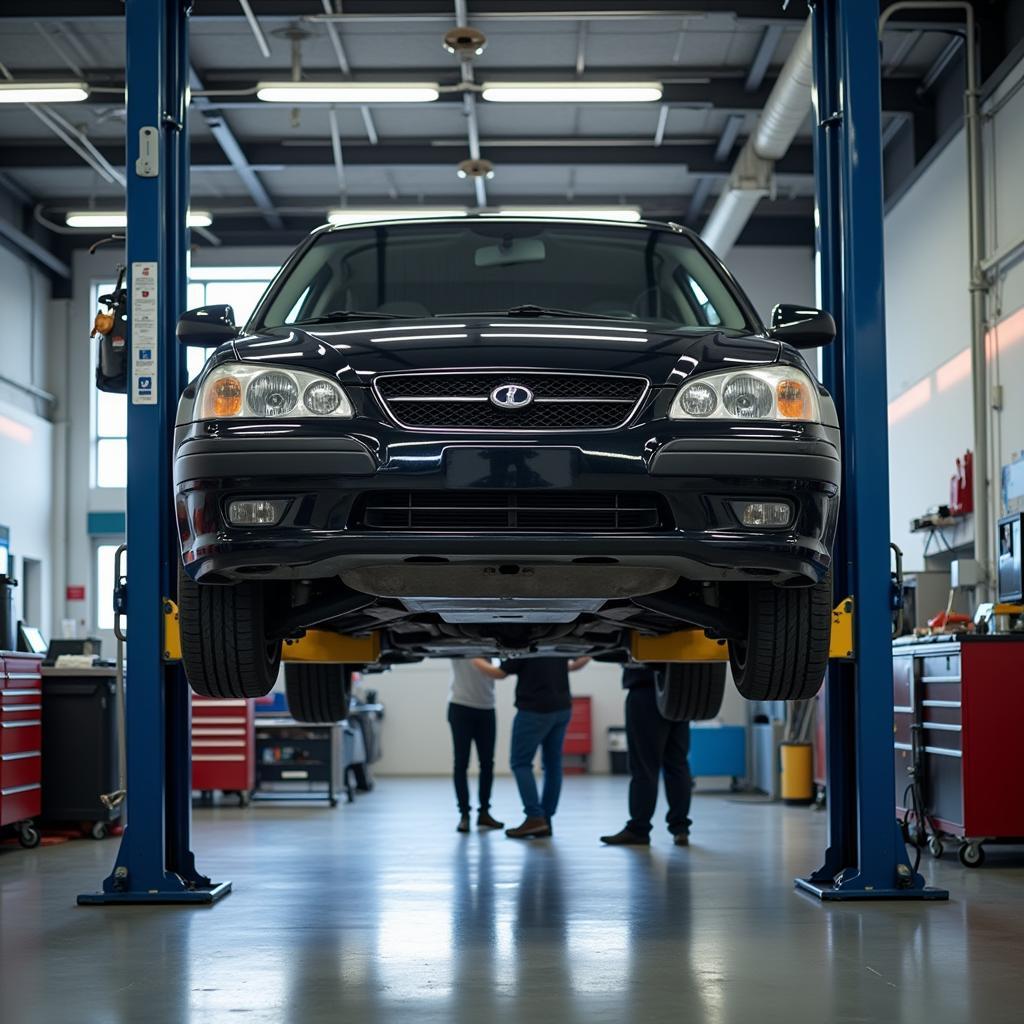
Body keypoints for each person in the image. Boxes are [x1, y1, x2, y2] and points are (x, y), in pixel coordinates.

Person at [477, 656, 589, 839]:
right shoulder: (557, 637)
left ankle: (535, 817)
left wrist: (474, 660)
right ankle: (545, 819)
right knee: (553, 765)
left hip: (535, 710)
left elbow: (499, 673)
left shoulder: (525, 641)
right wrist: (592, 652)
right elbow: (577, 663)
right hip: (562, 708)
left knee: (520, 763)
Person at [600, 663, 692, 847]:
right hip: (680, 693)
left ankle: (639, 829)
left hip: (646, 690)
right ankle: (680, 829)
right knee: (677, 764)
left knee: (644, 766)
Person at [447, 658, 505, 833]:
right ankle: (464, 815)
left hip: (487, 707)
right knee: (461, 763)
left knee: (487, 764)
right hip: (460, 706)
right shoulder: (461, 640)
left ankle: (484, 813)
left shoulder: (493, 641)